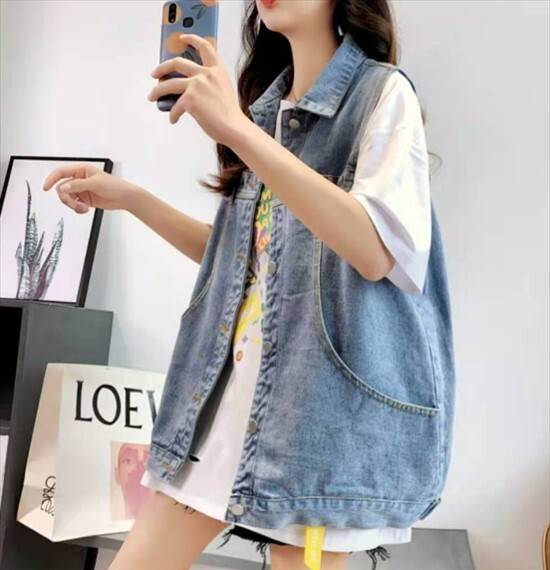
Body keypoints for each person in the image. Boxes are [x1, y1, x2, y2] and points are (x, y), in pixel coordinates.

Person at [43, 1, 455, 569]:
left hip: (314, 422)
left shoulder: (382, 95)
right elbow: (242, 260)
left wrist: (234, 129)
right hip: (219, 406)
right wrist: (132, 199)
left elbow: (376, 251)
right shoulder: (264, 113)